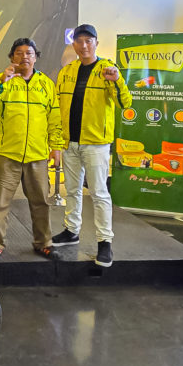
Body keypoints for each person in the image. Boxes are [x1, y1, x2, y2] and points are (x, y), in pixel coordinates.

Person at [52, 24, 132, 267]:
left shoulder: (107, 70)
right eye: (79, 41)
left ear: (96, 43)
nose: (84, 45)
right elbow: (57, 107)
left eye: (88, 40)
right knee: (72, 190)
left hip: (96, 143)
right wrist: (56, 141)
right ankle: (71, 230)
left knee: (98, 193)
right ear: (74, 44)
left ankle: (104, 242)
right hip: (70, 142)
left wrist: (117, 81)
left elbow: (125, 103)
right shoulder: (67, 72)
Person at [0, 37, 64, 261]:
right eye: (19, 53)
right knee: (0, 202)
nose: (24, 56)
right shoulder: (4, 81)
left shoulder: (46, 84)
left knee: (41, 202)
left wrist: (56, 147)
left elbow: (54, 118)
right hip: (7, 154)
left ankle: (43, 243)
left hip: (37, 155)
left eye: (29, 53)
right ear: (12, 57)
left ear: (36, 57)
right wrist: (1, 80)